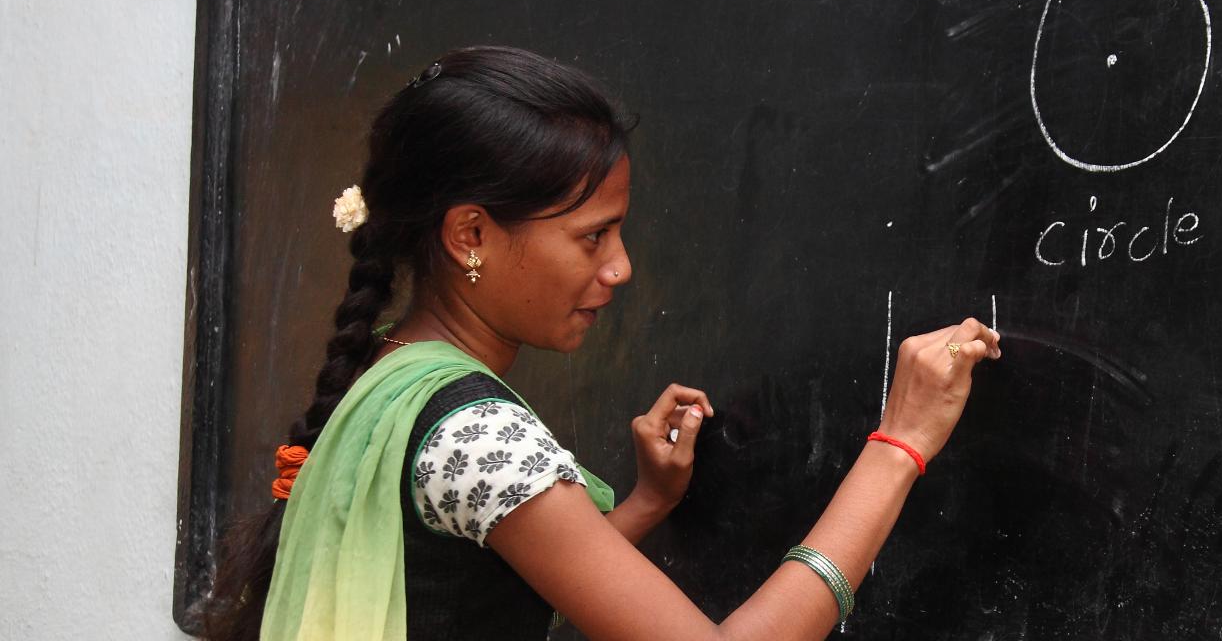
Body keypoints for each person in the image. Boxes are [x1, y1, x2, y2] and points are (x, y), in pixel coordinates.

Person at [199, 47, 1000, 640]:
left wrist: (648, 502)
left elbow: (486, 577)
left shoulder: (391, 371)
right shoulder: (475, 430)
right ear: (470, 233)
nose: (620, 269)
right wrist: (900, 444)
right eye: (593, 237)